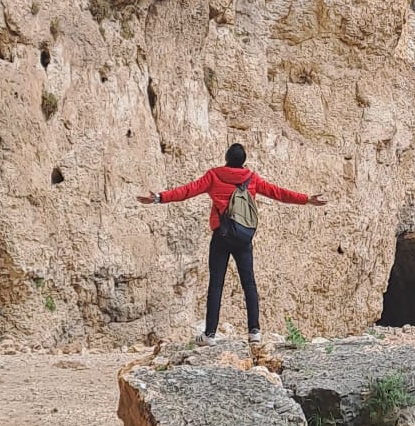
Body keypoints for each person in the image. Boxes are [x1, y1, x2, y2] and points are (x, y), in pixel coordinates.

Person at [138, 143, 326, 347]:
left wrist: (159, 198)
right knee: (249, 283)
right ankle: (254, 332)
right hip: (244, 237)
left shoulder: (214, 176)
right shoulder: (251, 178)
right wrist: (307, 199)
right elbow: (278, 193)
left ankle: (210, 334)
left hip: (221, 235)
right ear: (243, 161)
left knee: (216, 284)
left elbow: (188, 190)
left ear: (226, 158)